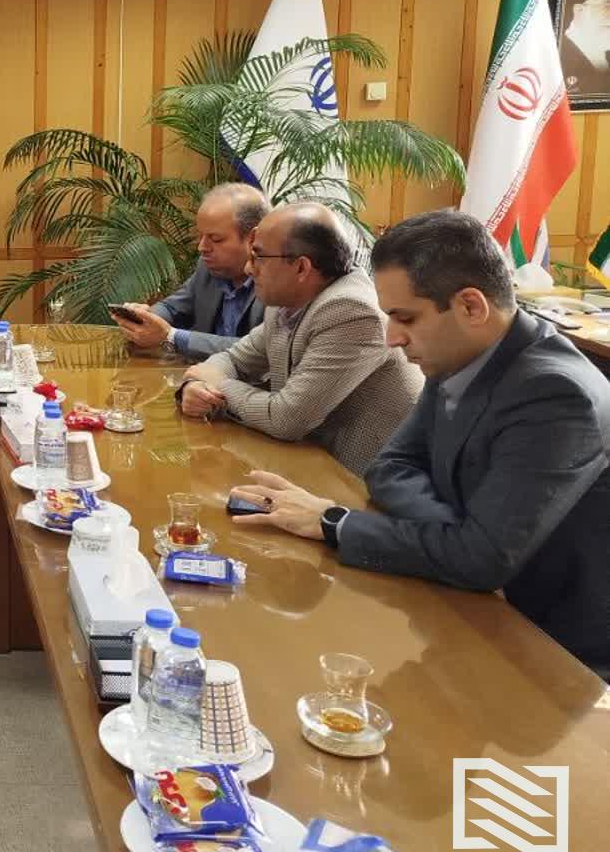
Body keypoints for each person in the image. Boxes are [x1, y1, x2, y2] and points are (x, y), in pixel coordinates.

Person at [229, 210, 610, 680]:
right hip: (463, 602)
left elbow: (482, 561)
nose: (391, 338)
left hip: (555, 656)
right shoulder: (459, 352)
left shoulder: (556, 394)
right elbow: (389, 467)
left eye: (404, 318)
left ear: (471, 306)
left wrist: (334, 522)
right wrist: (460, 534)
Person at [178, 203, 420, 474]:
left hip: (362, 482)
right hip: (306, 464)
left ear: (301, 268)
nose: (248, 268)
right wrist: (197, 386)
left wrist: (217, 386)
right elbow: (234, 359)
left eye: (258, 257)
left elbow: (286, 419)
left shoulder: (350, 311)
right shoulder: (288, 300)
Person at [115, 183, 269, 357]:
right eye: (200, 236)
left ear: (254, 238)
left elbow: (259, 350)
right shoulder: (208, 267)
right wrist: (144, 318)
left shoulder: (278, 280)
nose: (202, 247)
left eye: (215, 239)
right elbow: (173, 308)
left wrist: (171, 337)